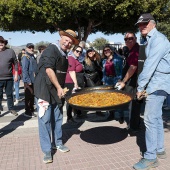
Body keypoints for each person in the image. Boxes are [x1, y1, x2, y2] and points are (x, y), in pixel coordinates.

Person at [34, 29, 79, 164]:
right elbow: (49, 69)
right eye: (66, 40)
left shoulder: (64, 54)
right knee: (45, 120)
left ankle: (58, 143)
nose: (68, 43)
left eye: (71, 42)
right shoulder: (51, 50)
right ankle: (47, 150)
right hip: (44, 91)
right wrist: (59, 88)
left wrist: (62, 89)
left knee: (58, 118)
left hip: (57, 91)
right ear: (61, 38)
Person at [133, 13, 170, 170]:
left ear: (153, 24)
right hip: (158, 84)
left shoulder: (159, 40)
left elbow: (150, 65)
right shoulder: (151, 39)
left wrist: (140, 87)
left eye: (145, 23)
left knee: (148, 119)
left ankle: (150, 158)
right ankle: (159, 149)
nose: (142, 26)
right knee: (155, 119)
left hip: (157, 84)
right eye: (140, 24)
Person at [115, 32, 141, 129]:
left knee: (133, 105)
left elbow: (133, 67)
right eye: (126, 39)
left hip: (133, 82)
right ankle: (133, 124)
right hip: (130, 80)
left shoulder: (136, 51)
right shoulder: (130, 51)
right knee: (131, 104)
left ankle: (133, 126)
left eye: (131, 38)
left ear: (135, 38)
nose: (128, 40)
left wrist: (123, 82)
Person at [65, 45, 84, 123]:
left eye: (80, 51)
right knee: (70, 100)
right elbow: (71, 71)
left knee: (72, 99)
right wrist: (75, 84)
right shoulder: (71, 58)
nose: (79, 52)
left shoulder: (75, 58)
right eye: (77, 51)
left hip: (72, 81)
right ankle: (69, 117)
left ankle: (73, 115)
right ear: (73, 50)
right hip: (70, 82)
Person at [0, 36, 18, 116]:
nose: (1, 43)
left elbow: (16, 63)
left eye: (2, 42)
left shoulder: (10, 51)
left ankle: (11, 108)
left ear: (5, 43)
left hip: (9, 78)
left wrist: (16, 75)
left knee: (9, 94)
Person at [22, 43, 37, 117]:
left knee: (32, 96)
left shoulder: (32, 56)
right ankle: (27, 111)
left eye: (32, 47)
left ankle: (31, 110)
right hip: (29, 81)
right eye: (29, 47)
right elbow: (24, 70)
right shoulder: (25, 57)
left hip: (33, 80)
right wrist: (28, 80)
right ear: (26, 48)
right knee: (28, 96)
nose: (31, 49)